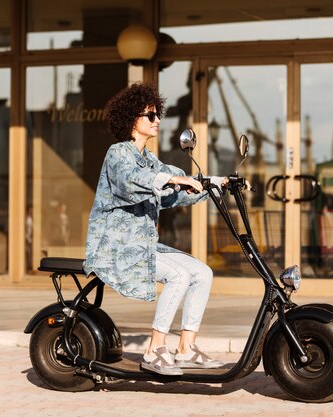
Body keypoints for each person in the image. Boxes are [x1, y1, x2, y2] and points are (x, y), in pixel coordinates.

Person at [83, 82, 227, 376]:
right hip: (117, 249)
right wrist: (175, 180)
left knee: (202, 272)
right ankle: (155, 349)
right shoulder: (118, 155)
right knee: (178, 275)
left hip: (144, 245)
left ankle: (186, 347)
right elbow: (130, 181)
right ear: (132, 119)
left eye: (157, 114)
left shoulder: (150, 160)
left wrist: (215, 184)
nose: (157, 120)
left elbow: (174, 190)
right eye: (150, 115)